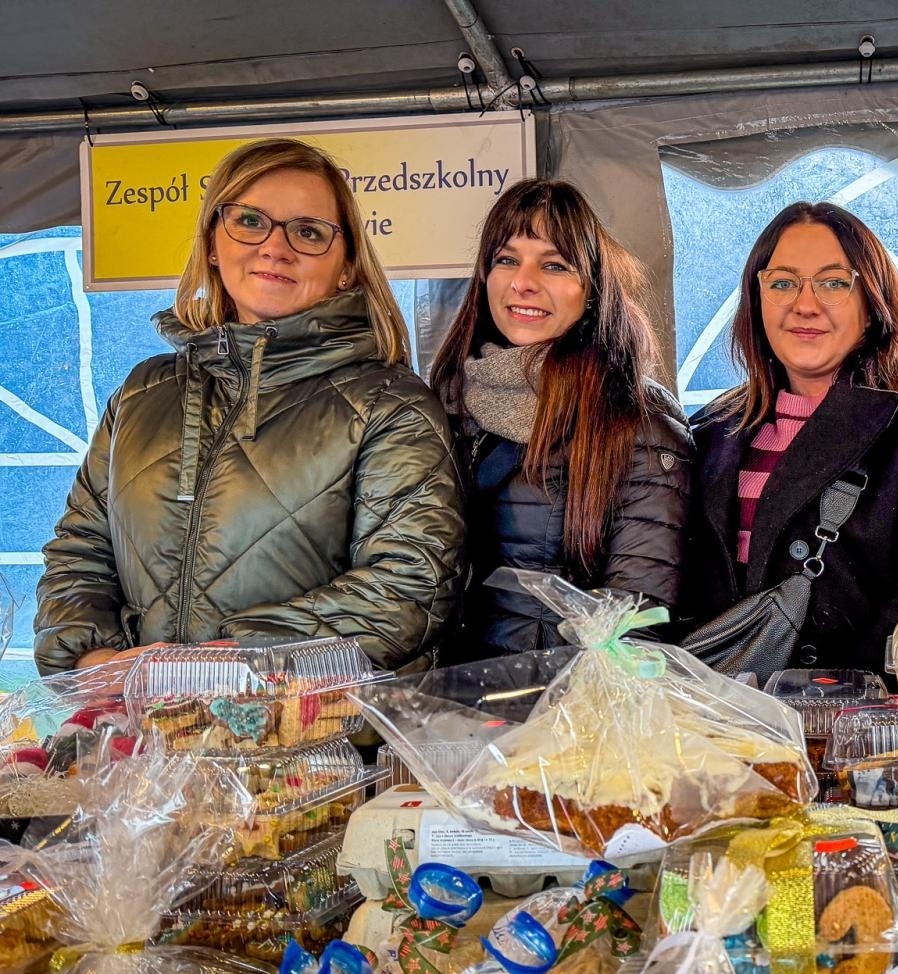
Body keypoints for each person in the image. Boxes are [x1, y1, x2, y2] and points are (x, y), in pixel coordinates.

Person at [34, 137, 465, 674]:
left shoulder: (390, 405)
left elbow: (408, 589)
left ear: (348, 265)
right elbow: (79, 552)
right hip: (144, 739)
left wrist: (222, 666)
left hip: (317, 745)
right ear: (213, 244)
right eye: (250, 221)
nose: (274, 247)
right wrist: (96, 663)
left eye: (308, 232)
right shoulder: (142, 393)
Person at [683, 202, 898, 674]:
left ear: (871, 304)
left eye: (833, 283)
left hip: (855, 715)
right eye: (782, 283)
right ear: (756, 300)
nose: (805, 304)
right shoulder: (711, 428)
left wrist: (834, 694)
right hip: (724, 712)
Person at [430, 180, 691, 660]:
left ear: (591, 289)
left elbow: (638, 616)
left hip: (562, 710)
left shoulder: (637, 423)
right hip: (450, 700)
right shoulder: (448, 402)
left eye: (554, 265)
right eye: (506, 260)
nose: (523, 282)